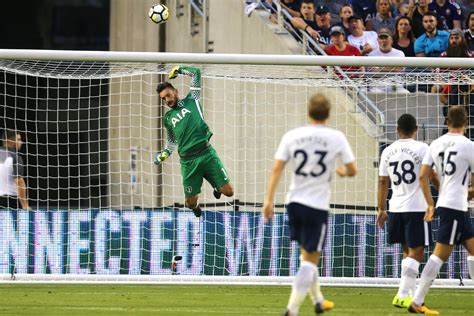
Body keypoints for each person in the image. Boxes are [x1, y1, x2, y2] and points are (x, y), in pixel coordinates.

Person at [262, 94, 357, 316]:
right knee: (311, 260)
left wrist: (268, 200)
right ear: (329, 113)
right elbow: (352, 169)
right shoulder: (336, 137)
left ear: (308, 112)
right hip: (316, 205)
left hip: (293, 202)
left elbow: (277, 168)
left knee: (307, 255)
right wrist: (341, 171)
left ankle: (318, 300)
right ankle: (292, 309)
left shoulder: (293, 135)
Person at [409, 106, 474, 314]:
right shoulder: (469, 145)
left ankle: (417, 300)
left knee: (473, 249)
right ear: (466, 122)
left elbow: (423, 175)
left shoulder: (435, 144)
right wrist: (468, 192)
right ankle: (417, 301)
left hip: (451, 205)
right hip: (455, 206)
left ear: (447, 121)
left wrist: (431, 203)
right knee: (439, 255)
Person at [154, 66, 234, 217]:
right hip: (188, 162)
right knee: (189, 202)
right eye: (163, 98)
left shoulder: (193, 99)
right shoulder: (168, 119)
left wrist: (179, 69)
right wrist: (164, 153)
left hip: (207, 153)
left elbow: (196, 73)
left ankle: (217, 188)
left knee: (229, 192)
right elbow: (171, 141)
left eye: (168, 95)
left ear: (175, 92)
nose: (167, 100)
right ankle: (195, 207)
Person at [377, 114, 437, 309]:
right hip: (417, 207)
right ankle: (402, 294)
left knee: (407, 251)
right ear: (416, 129)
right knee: (417, 251)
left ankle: (409, 294)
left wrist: (381, 208)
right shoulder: (423, 148)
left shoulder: (387, 151)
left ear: (397, 129)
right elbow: (431, 175)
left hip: (395, 207)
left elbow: (382, 181)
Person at [0, 129, 29, 210]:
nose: (21, 142)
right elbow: (19, 181)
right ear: (10, 141)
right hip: (10, 201)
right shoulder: (15, 157)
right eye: (19, 139)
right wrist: (25, 205)